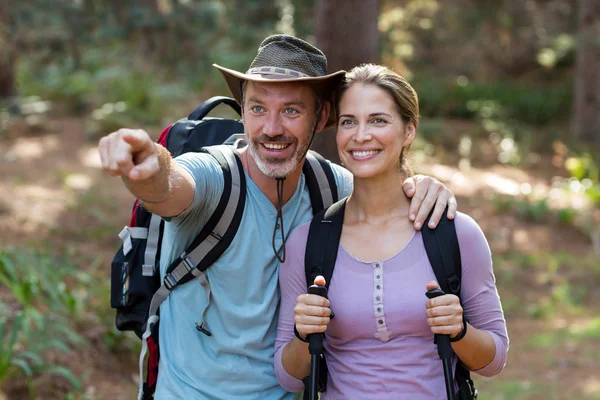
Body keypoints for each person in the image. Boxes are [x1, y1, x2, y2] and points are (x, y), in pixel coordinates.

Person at [99, 36, 458, 399]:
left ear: (320, 118)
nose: (271, 128)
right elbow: (170, 186)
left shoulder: (331, 188)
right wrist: (147, 168)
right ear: (242, 112)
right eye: (257, 108)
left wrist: (424, 187)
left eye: (290, 111)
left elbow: (388, 198)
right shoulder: (214, 177)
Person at [275, 64, 509, 399]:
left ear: (408, 131)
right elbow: (288, 377)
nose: (360, 135)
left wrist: (459, 331)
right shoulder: (308, 241)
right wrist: (303, 334)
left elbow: (494, 359)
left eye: (378, 120)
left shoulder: (455, 233)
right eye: (348, 121)